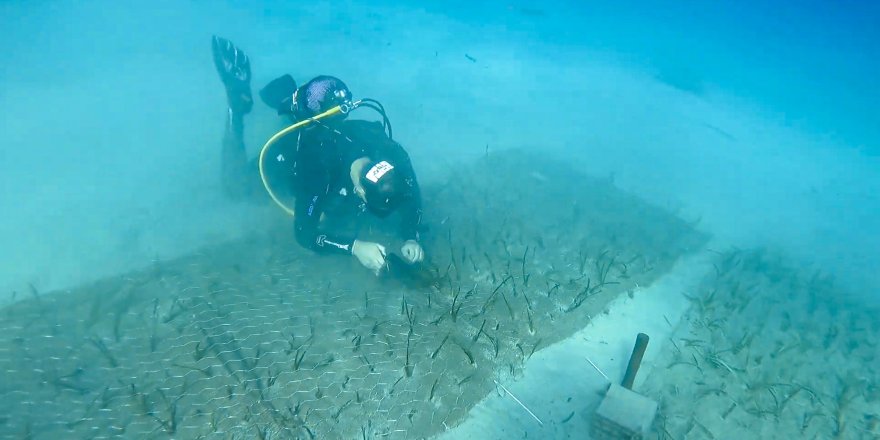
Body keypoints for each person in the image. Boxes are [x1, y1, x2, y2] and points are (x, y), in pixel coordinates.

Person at [211, 36, 425, 275]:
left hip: (329, 133)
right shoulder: (316, 171)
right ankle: (237, 105)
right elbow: (304, 233)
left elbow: (411, 192)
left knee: (317, 125)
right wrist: (355, 248)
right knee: (234, 187)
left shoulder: (393, 153)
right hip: (288, 159)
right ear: (360, 192)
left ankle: (294, 102)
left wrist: (411, 237)